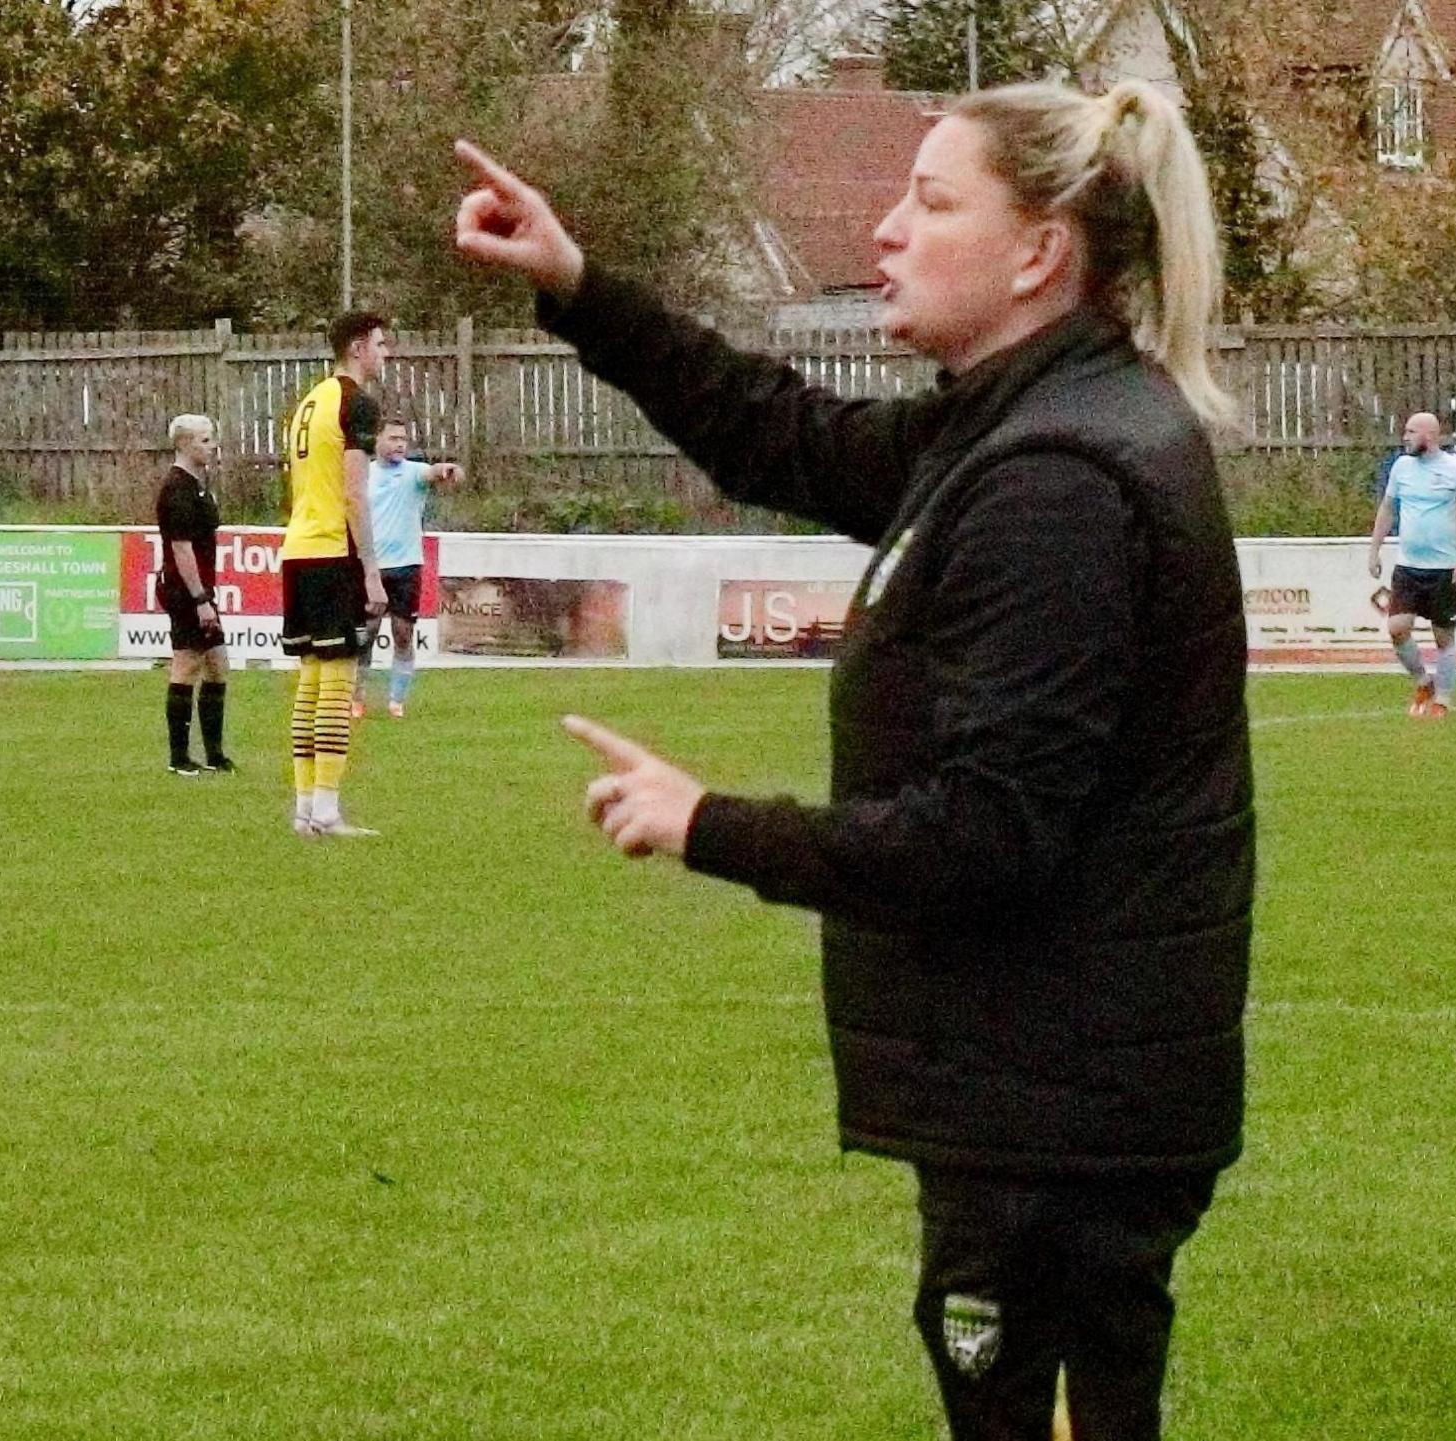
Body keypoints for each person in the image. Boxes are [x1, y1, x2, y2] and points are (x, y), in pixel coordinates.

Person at [456, 78, 1252, 1441]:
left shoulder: (1058, 479)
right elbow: (782, 432)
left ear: (1038, 252)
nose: (885, 232)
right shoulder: (1007, 427)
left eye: (932, 202)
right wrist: (580, 286)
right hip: (1045, 1100)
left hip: (1056, 1115)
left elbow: (985, 838)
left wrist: (708, 822)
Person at [279, 311, 392, 838]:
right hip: (332, 549)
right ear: (357, 348)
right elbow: (353, 491)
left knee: (311, 677)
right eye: (380, 344)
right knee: (339, 678)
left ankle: (305, 807)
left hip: (299, 547)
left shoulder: (308, 403)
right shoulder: (356, 405)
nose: (385, 354)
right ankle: (326, 809)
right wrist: (370, 569)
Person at [1367, 411, 1456, 717]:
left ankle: (1443, 699)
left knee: (1444, 636)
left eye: (1410, 431)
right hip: (1408, 566)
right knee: (1397, 627)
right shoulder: (1401, 468)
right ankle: (1422, 681)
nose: (1404, 436)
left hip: (1444, 568)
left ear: (1428, 436)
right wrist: (1374, 549)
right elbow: (1388, 508)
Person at [356, 416, 462, 718]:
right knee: (366, 634)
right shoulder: (363, 474)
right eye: (392, 438)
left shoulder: (414, 473)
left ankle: (396, 701)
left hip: (406, 567)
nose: (399, 444)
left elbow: (436, 473)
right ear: (377, 441)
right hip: (372, 567)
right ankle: (356, 698)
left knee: (403, 634)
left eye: (403, 439)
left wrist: (450, 471)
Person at [156, 413, 234, 775]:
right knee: (187, 664)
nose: (212, 445)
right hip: (186, 591)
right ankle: (179, 757)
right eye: (204, 440)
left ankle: (215, 754)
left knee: (218, 664)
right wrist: (201, 600)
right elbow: (181, 549)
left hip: (200, 589)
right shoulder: (177, 489)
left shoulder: (198, 485)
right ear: (184, 444)